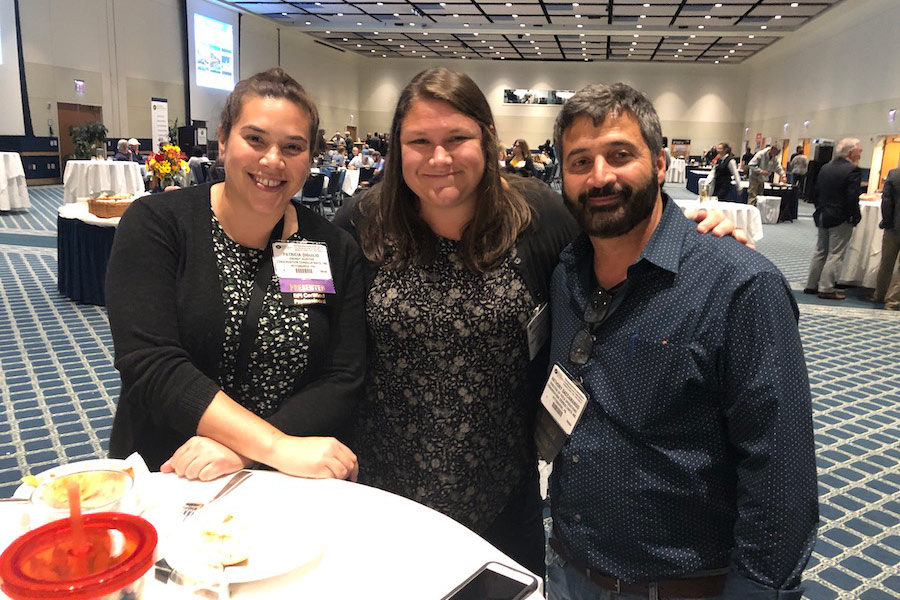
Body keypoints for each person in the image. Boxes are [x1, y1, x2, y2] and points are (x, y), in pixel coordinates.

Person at [334, 67, 746, 577]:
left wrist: (695, 231)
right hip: (383, 490)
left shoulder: (534, 215)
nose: (439, 157)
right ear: (399, 148)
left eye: (457, 138)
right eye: (420, 141)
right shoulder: (361, 222)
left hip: (504, 491)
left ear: (486, 140)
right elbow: (320, 343)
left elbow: (619, 231)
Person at [546, 82, 817, 600]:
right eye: (580, 161)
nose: (599, 176)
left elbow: (780, 475)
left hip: (677, 587)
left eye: (620, 155)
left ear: (660, 162)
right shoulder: (565, 274)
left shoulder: (738, 286)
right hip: (568, 568)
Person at [105, 67, 365, 482]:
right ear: (224, 140)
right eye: (255, 139)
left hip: (286, 477)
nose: (273, 160)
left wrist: (245, 453)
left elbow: (343, 375)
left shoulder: (335, 249)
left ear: (309, 159)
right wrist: (272, 445)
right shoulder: (157, 224)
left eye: (293, 147)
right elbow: (152, 364)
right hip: (176, 471)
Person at [804, 138, 863, 300]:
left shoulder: (825, 167)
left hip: (823, 214)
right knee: (836, 254)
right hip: (840, 217)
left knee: (820, 251)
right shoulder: (853, 170)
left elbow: (815, 192)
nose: (861, 152)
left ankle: (811, 284)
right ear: (851, 152)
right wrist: (855, 216)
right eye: (859, 149)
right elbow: (852, 197)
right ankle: (827, 288)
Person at [874, 162, 899, 309]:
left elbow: (886, 201)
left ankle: (880, 295)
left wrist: (887, 222)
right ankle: (893, 300)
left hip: (892, 228)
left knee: (886, 263)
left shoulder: (894, 174)